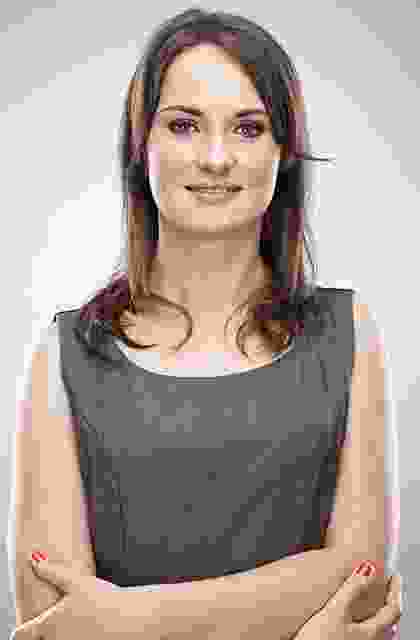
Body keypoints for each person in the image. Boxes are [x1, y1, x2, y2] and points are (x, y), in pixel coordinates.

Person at [8, 7, 401, 639]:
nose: (216, 158)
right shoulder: (66, 352)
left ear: (284, 153)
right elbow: (56, 623)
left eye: (248, 128)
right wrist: (295, 607)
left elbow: (360, 578)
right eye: (184, 125)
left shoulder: (347, 331)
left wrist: (128, 618)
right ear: (141, 147)